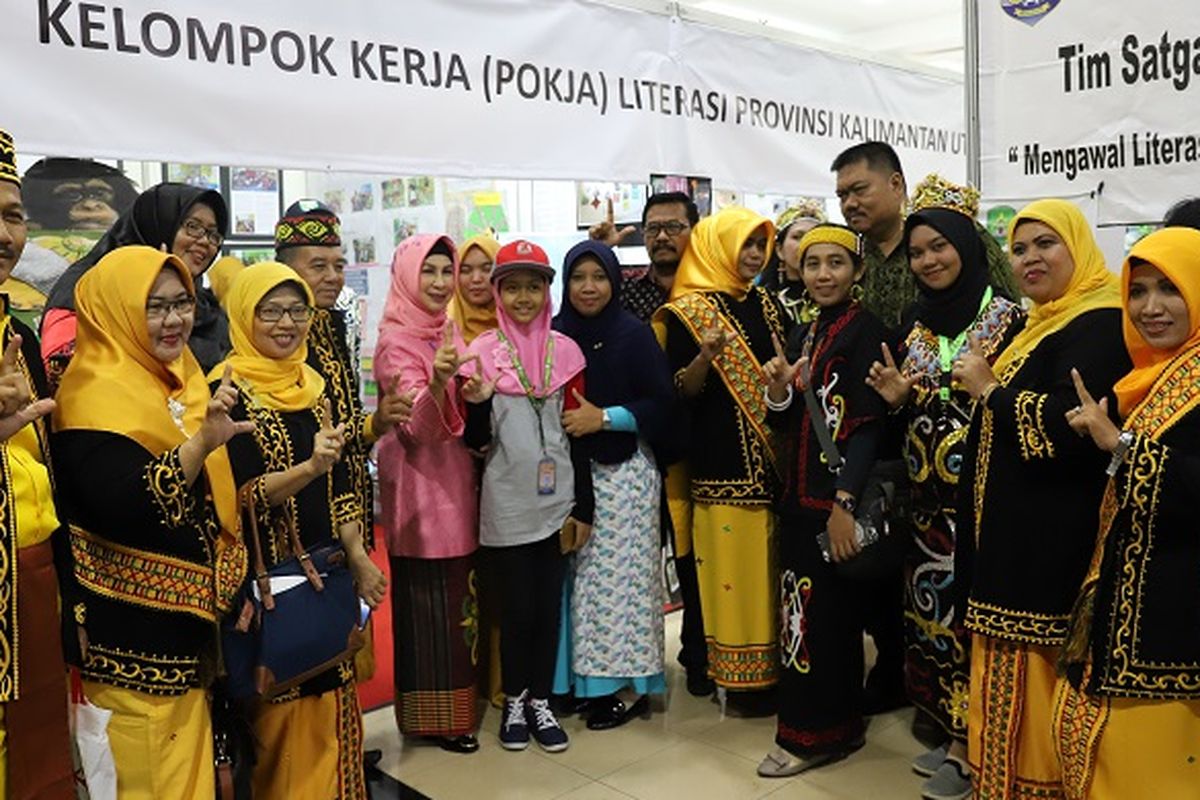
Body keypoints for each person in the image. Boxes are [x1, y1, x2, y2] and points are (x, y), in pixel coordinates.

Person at [52, 245, 250, 798]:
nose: (174, 320)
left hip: (188, 643)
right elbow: (131, 509)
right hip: (130, 644)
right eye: (154, 307)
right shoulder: (91, 395)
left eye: (183, 303)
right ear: (115, 312)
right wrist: (201, 444)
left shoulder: (181, 380)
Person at [951, 199, 1131, 799]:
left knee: (1037, 686)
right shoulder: (1043, 320)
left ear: (1078, 247)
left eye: (1045, 244)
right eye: (1020, 248)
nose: (1030, 258)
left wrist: (992, 391)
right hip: (1013, 533)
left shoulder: (1099, 321)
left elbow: (1071, 427)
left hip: (1049, 539)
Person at [865, 190, 1026, 800]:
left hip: (985, 503)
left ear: (964, 247)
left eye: (939, 247)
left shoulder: (1012, 319)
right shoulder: (915, 322)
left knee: (975, 624)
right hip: (926, 505)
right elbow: (909, 407)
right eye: (917, 252)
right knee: (934, 620)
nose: (928, 261)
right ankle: (954, 727)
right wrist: (898, 399)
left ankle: (975, 745)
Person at [213, 261, 386, 798]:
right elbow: (239, 500)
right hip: (269, 591)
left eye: (297, 311)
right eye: (271, 311)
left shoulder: (310, 384)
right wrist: (307, 469)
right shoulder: (227, 394)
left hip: (326, 574)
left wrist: (357, 556)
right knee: (281, 723)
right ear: (244, 314)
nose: (286, 323)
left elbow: (338, 487)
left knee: (336, 708)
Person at [1055, 226, 1200, 799]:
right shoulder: (1154, 373)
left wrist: (1122, 447)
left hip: (1176, 625)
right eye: (1138, 291)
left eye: (1171, 288)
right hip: (1131, 607)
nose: (1150, 307)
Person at [756, 223, 886, 777]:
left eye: (836, 263)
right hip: (799, 498)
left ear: (856, 271)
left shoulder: (865, 330)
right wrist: (781, 388)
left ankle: (817, 735)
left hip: (832, 501)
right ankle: (823, 726)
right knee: (802, 620)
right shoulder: (805, 332)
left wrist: (844, 502)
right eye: (813, 264)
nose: (823, 274)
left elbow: (868, 425)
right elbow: (782, 418)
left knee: (825, 622)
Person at [463, 240, 590, 753]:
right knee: (515, 610)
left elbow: (577, 431)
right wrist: (476, 405)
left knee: (547, 607)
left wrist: (584, 506)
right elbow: (473, 442)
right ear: (497, 293)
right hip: (507, 501)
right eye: (511, 287)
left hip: (558, 500)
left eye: (533, 286)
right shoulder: (481, 354)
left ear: (547, 291)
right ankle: (514, 700)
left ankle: (540, 700)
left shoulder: (568, 352)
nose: (522, 297)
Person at [653, 207, 785, 698]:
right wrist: (705, 357)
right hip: (718, 467)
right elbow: (680, 391)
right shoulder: (685, 313)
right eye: (745, 244)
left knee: (769, 576)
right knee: (729, 579)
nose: (753, 255)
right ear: (717, 246)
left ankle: (774, 670)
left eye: (759, 245)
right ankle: (734, 674)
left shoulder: (769, 304)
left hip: (772, 466)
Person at [552, 240, 675, 729]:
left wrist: (603, 418)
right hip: (565, 477)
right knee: (577, 585)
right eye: (578, 277)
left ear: (614, 281)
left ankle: (623, 688)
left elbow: (663, 405)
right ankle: (580, 683)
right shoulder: (555, 334)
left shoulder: (634, 335)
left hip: (622, 476)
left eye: (598, 277)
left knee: (619, 586)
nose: (588, 287)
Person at [594, 190, 711, 697]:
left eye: (674, 226)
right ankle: (633, 663)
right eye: (653, 227)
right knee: (641, 558)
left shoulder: (710, 297)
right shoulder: (628, 295)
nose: (662, 236)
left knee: (695, 558)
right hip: (633, 450)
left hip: (698, 449)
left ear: (696, 230)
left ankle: (700, 655)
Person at [374, 235, 481, 753]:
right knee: (427, 611)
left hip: (456, 484)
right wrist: (441, 385)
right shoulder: (396, 341)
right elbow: (418, 430)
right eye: (429, 273)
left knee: (459, 608)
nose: (440, 284)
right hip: (419, 494)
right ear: (408, 277)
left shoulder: (447, 329)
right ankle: (431, 720)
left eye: (447, 272)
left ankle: (459, 710)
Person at [0, 127, 75, 798]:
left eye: (12, 214)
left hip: (30, 566)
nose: (4, 234)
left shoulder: (18, 331)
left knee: (36, 754)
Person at [42, 183, 231, 382]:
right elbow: (66, 376)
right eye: (193, 227)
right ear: (156, 224)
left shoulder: (203, 303)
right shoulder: (86, 290)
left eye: (213, 235)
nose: (205, 241)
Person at [761, 200, 826, 325]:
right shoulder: (764, 303)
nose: (806, 244)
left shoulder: (838, 299)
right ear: (779, 250)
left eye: (814, 236)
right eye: (798, 237)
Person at [447, 233, 501, 344]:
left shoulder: (521, 327)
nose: (476, 279)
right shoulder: (443, 331)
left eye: (487, 269)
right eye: (466, 270)